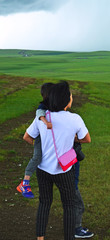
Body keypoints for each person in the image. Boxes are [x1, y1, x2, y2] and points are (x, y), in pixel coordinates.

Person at [23, 81, 91, 240]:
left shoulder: (42, 117)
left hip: (43, 170)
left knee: (44, 204)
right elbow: (86, 139)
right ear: (67, 101)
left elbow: (27, 137)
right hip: (64, 170)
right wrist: (72, 137)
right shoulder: (75, 119)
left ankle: (40, 238)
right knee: (68, 206)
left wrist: (42, 148)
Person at [17, 82, 54, 198]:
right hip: (40, 138)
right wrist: (46, 122)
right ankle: (24, 183)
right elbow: (39, 113)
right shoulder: (44, 105)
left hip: (45, 138)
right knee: (37, 157)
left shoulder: (53, 105)